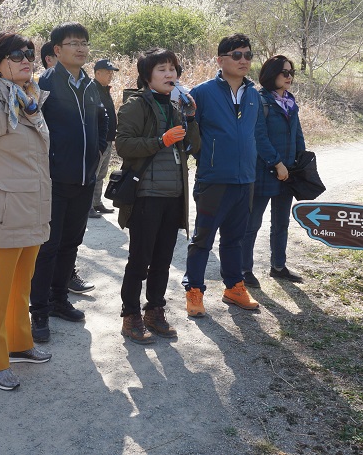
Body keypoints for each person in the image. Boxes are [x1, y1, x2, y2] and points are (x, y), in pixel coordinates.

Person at [0, 32, 54, 391]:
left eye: (29, 53)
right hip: (5, 212)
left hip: (33, 210)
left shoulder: (31, 101)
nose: (26, 59)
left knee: (22, 285)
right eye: (16, 54)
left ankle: (19, 343)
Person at [114, 49, 201, 343]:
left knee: (163, 259)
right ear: (147, 76)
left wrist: (191, 117)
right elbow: (124, 145)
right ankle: (130, 315)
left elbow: (194, 146)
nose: (170, 75)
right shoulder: (136, 105)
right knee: (139, 260)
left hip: (173, 194)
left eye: (173, 69)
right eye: (162, 70)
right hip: (146, 195)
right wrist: (159, 141)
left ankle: (155, 310)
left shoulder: (177, 107)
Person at [29, 22, 108, 342]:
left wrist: (99, 151)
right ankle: (40, 311)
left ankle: (60, 299)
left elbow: (102, 122)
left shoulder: (90, 84)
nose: (81, 48)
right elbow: (33, 130)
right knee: (47, 247)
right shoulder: (43, 84)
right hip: (54, 180)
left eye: (85, 43)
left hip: (84, 179)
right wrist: (50, 165)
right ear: (57, 51)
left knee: (71, 243)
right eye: (74, 43)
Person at [181, 33, 263, 317]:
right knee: (203, 238)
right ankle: (194, 290)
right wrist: (206, 159)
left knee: (235, 238)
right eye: (237, 55)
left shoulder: (254, 94)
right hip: (213, 179)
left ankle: (234, 287)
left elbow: (257, 134)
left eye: (248, 55)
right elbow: (188, 135)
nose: (244, 60)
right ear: (220, 60)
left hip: (245, 179)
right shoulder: (202, 93)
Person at [243, 56, 306, 284]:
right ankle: (244, 270)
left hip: (287, 173)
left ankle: (278, 266)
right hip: (264, 172)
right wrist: (276, 163)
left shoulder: (290, 101)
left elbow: (297, 133)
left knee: (281, 223)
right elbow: (259, 137)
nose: (289, 77)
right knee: (252, 224)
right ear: (272, 74)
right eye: (284, 72)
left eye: (291, 72)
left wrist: (300, 161)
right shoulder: (259, 101)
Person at [89, 58, 120, 219]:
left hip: (108, 139)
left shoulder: (105, 89)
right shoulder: (92, 89)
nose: (110, 75)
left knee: (101, 173)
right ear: (97, 73)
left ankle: (96, 202)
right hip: (97, 140)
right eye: (107, 72)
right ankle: (88, 206)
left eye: (111, 73)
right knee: (93, 173)